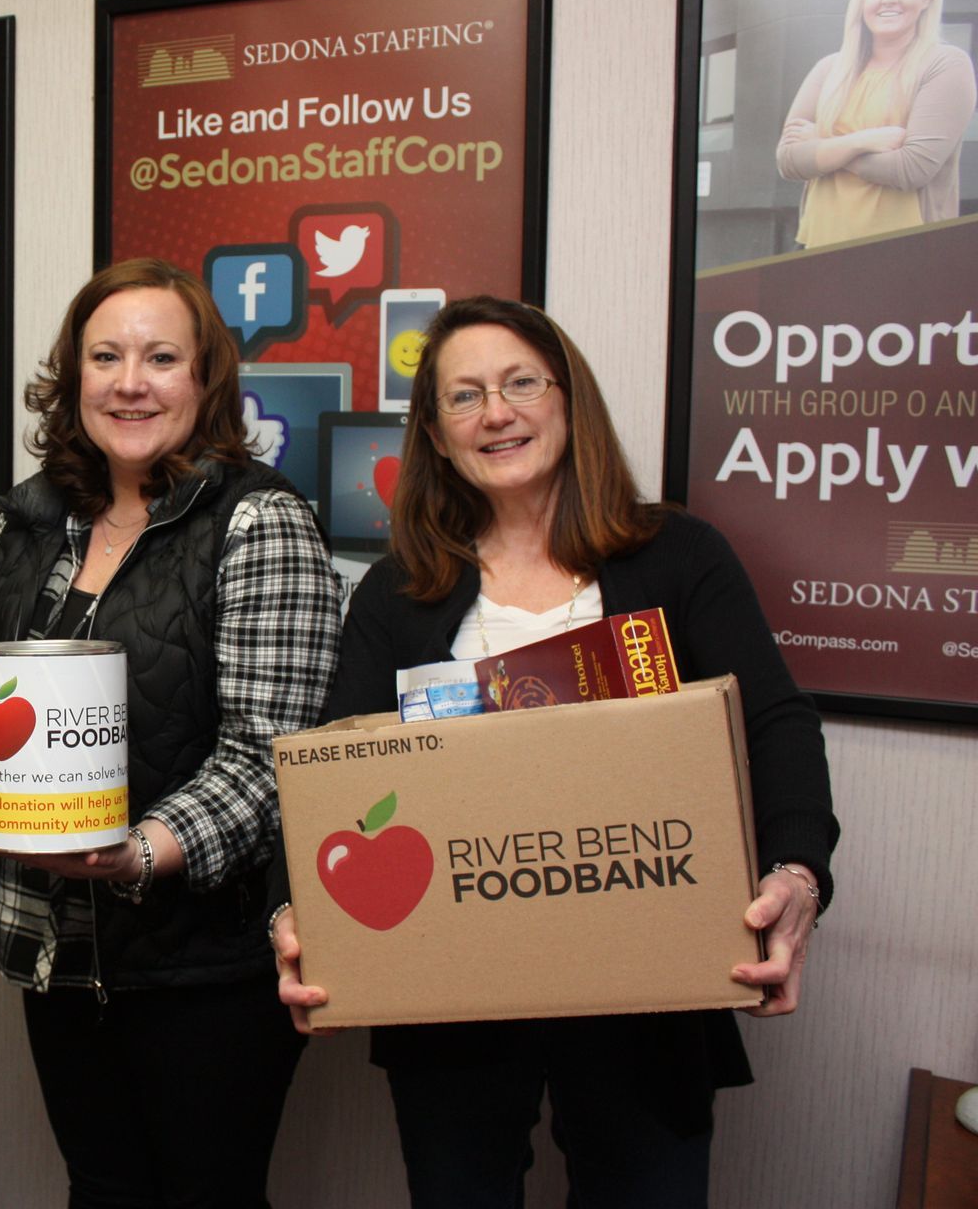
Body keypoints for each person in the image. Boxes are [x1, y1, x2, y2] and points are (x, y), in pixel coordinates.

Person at [271, 296, 840, 1207]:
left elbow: (775, 722)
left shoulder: (678, 555)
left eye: (520, 383)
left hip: (649, 990)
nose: (496, 413)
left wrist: (798, 873)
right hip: (452, 998)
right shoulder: (398, 594)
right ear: (437, 435)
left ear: (568, 398)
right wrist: (292, 914)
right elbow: (334, 771)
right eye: (463, 397)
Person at [0, 259, 341, 1207]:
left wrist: (139, 853)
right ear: (74, 379)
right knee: (103, 1187)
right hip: (51, 942)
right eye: (105, 356)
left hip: (201, 960)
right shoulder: (34, 519)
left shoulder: (260, 521)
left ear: (205, 380)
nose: (130, 381)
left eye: (162, 358)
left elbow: (271, 761)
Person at [776, 0, 976, 249]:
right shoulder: (828, 68)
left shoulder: (946, 64)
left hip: (905, 257)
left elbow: (911, 169)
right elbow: (789, 160)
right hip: (817, 251)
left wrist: (824, 144)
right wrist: (860, 142)